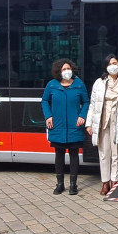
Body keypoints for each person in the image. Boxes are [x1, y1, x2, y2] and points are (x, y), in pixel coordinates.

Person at [86, 54, 118, 195]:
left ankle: (114, 181)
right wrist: (89, 124)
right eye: (109, 64)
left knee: (116, 154)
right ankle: (105, 182)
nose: (112, 66)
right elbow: (93, 105)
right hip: (103, 122)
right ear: (106, 67)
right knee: (104, 153)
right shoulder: (99, 83)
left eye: (115, 63)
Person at [42, 59, 89, 195]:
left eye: (68, 68)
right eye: (63, 69)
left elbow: (86, 102)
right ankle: (60, 184)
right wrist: (48, 116)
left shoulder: (79, 85)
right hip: (58, 125)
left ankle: (73, 185)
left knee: (74, 154)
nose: (67, 71)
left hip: (75, 125)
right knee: (59, 154)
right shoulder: (52, 85)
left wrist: (82, 116)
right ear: (58, 71)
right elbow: (45, 101)